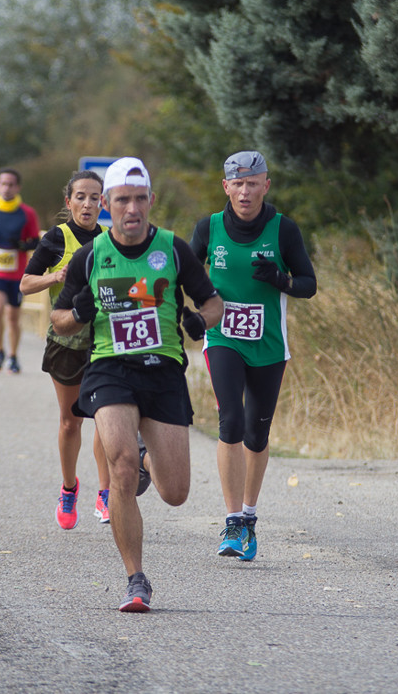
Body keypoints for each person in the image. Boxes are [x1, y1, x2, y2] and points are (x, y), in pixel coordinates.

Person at [51, 157, 223, 612]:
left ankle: (147, 461)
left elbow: (213, 303)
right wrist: (81, 313)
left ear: (151, 201)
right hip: (110, 368)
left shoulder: (174, 248)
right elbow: (59, 321)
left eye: (139, 198)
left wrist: (197, 318)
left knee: (176, 493)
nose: (131, 208)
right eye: (122, 199)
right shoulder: (90, 256)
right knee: (120, 466)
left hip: (163, 370)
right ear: (107, 204)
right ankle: (136, 580)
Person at [189, 150, 317, 562]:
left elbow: (308, 284)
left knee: (257, 435)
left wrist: (281, 280)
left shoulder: (283, 230)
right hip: (223, 337)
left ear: (266, 185)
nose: (245, 192)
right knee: (231, 420)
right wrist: (193, 312)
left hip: (269, 344)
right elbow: (185, 274)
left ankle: (249, 516)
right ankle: (231, 522)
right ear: (226, 187)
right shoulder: (208, 228)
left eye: (253, 183)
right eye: (237, 184)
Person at [20, 171, 111, 529]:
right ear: (68, 201)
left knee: (107, 420)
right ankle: (69, 488)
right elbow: (26, 284)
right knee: (71, 421)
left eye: (94, 198)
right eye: (81, 197)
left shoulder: (110, 239)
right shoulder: (57, 238)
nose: (87, 204)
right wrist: (56, 277)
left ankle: (106, 494)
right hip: (66, 342)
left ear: (102, 202)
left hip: (104, 342)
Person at [0, 168, 41, 373]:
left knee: (13, 317)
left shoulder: (27, 213)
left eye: (11, 184)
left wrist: (22, 245)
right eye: (3, 183)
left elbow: (35, 241)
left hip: (18, 272)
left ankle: (13, 356)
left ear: (18, 187)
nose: (7, 188)